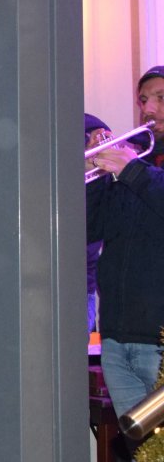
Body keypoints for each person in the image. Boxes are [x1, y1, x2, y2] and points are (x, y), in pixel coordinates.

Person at [87, 66, 164, 420]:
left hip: (159, 339)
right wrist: (95, 175)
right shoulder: (136, 161)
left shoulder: (137, 167)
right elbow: (89, 229)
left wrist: (130, 169)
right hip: (117, 336)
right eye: (144, 100)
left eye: (161, 99)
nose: (149, 109)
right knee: (140, 451)